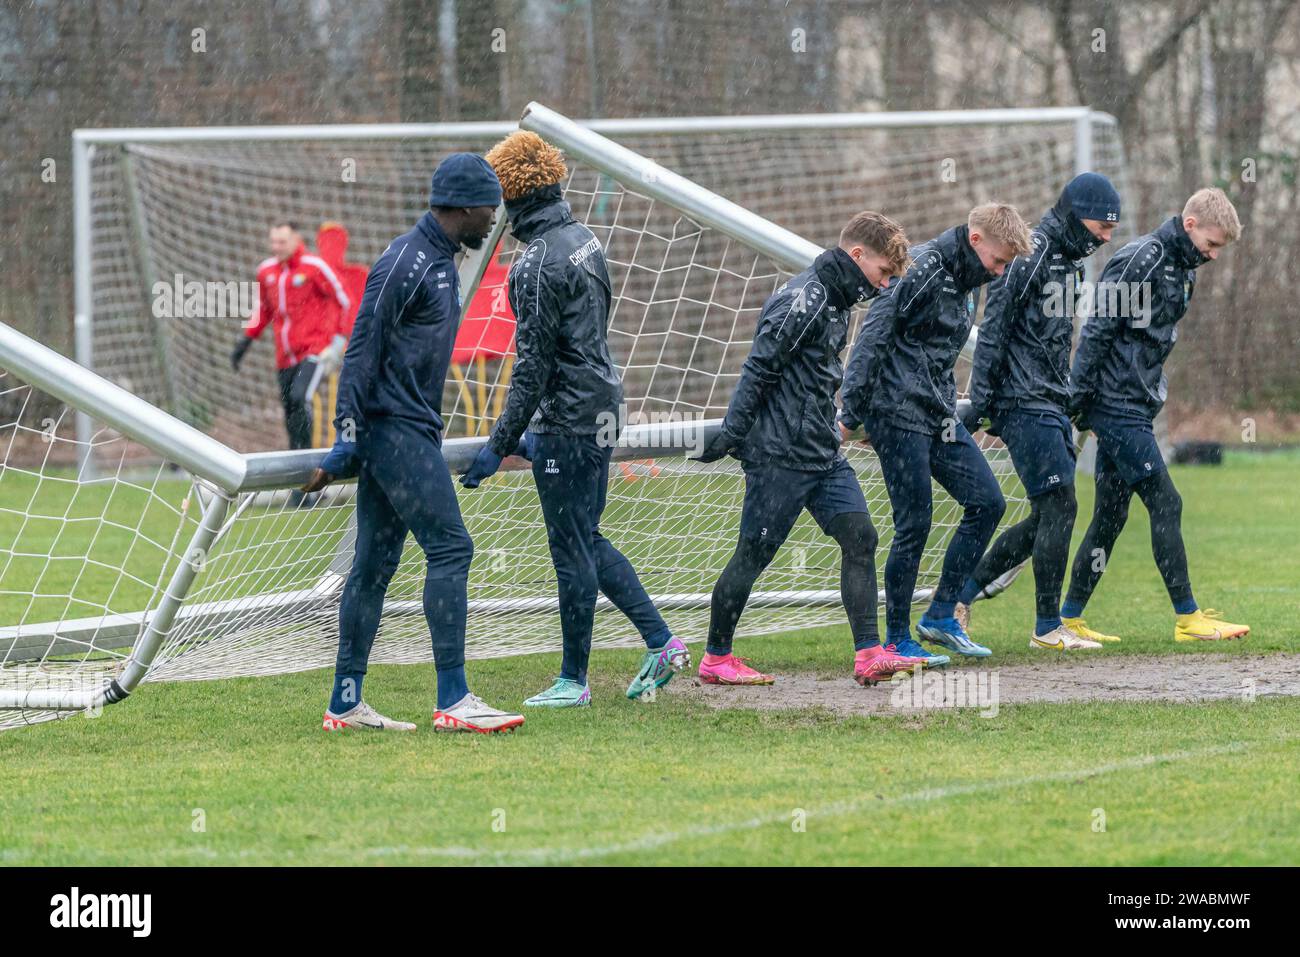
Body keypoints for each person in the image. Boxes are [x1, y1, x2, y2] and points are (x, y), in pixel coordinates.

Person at [461, 131, 687, 707]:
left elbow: (533, 366)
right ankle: (659, 641)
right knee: (585, 536)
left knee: (570, 547)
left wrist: (500, 442)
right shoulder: (583, 237)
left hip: (569, 417)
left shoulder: (534, 264)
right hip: (602, 402)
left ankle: (574, 680)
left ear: (508, 193)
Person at [302, 153, 524, 733]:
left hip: (409, 427)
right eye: (490, 208)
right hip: (392, 430)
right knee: (452, 548)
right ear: (466, 205)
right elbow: (361, 348)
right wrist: (346, 441)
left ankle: (345, 703)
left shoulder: (444, 260)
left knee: (373, 567)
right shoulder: (405, 260)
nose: (494, 219)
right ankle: (454, 699)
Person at [691, 210, 915, 687]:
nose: (883, 285)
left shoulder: (835, 300)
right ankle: (716, 657)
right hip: (779, 456)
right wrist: (732, 434)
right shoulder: (803, 300)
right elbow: (758, 370)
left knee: (861, 536)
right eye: (881, 273)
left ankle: (868, 654)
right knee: (753, 555)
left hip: (821, 452)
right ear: (857, 257)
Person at [840, 203, 1033, 663]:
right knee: (915, 523)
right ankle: (895, 639)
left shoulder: (971, 279)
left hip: (936, 413)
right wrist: (853, 410)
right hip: (897, 412)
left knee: (988, 501)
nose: (1000, 271)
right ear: (975, 240)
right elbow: (874, 334)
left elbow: (937, 354)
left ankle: (942, 614)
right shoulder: (924, 268)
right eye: (998, 260)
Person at [1061, 187, 1249, 644]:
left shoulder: (1186, 269)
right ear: (1190, 225)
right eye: (1213, 244)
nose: (1215, 255)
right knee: (1167, 502)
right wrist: (1079, 403)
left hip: (1136, 406)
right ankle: (1189, 617)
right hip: (1114, 405)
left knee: (1110, 515)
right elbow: (1098, 331)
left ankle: (1068, 616)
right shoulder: (1140, 258)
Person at [958, 173, 1121, 651]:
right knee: (1060, 507)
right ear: (1074, 216)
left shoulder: (1071, 264)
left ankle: (958, 597)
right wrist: (985, 401)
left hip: (1049, 400)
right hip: (1020, 401)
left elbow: (1052, 340)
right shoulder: (1029, 254)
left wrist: (1071, 394)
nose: (1105, 238)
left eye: (1112, 230)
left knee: (1047, 515)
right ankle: (1048, 627)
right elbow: (993, 330)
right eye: (1100, 227)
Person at [232, 221, 350, 468]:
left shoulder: (314, 267)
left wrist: (339, 340)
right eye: (273, 242)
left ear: (296, 239)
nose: (277, 247)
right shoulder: (266, 271)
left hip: (315, 351)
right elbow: (264, 310)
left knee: (300, 397)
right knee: (289, 411)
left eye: (282, 242)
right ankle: (298, 476)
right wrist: (245, 342)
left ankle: (312, 466)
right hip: (284, 356)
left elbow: (344, 300)